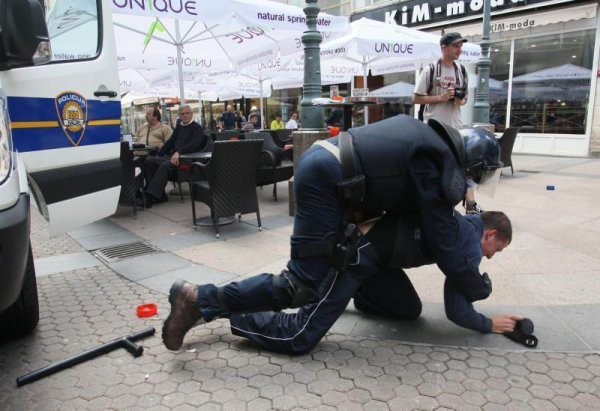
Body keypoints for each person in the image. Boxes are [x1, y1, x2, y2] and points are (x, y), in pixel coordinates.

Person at [162, 115, 504, 353]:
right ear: (472, 164)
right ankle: (200, 300)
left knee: (323, 280)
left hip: (331, 169)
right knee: (300, 286)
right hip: (329, 179)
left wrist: (469, 205)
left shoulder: (428, 144)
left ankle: (213, 301)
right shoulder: (433, 167)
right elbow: (447, 245)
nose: (474, 181)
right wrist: (480, 288)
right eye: (478, 174)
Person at [353, 211, 521, 335]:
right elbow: (457, 311)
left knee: (409, 308)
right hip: (370, 256)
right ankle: (350, 283)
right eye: (497, 249)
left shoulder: (458, 220)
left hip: (377, 255)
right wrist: (488, 324)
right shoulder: (470, 246)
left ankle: (358, 289)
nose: (491, 256)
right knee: (408, 310)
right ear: (491, 234)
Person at [142, 105, 207, 208]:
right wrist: (159, 154)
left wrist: (179, 153)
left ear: (191, 114)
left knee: (165, 165)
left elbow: (194, 145)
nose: (185, 116)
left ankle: (150, 197)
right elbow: (170, 142)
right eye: (182, 114)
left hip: (188, 159)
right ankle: (160, 195)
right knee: (150, 161)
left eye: (187, 113)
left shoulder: (197, 128)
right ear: (180, 115)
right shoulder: (179, 127)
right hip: (175, 157)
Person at [413, 32, 469, 129]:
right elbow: (416, 99)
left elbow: (465, 98)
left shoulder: (462, 70)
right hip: (434, 128)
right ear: (444, 48)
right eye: (455, 46)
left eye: (460, 46)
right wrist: (441, 98)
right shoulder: (430, 70)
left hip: (455, 127)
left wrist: (460, 101)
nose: (459, 50)